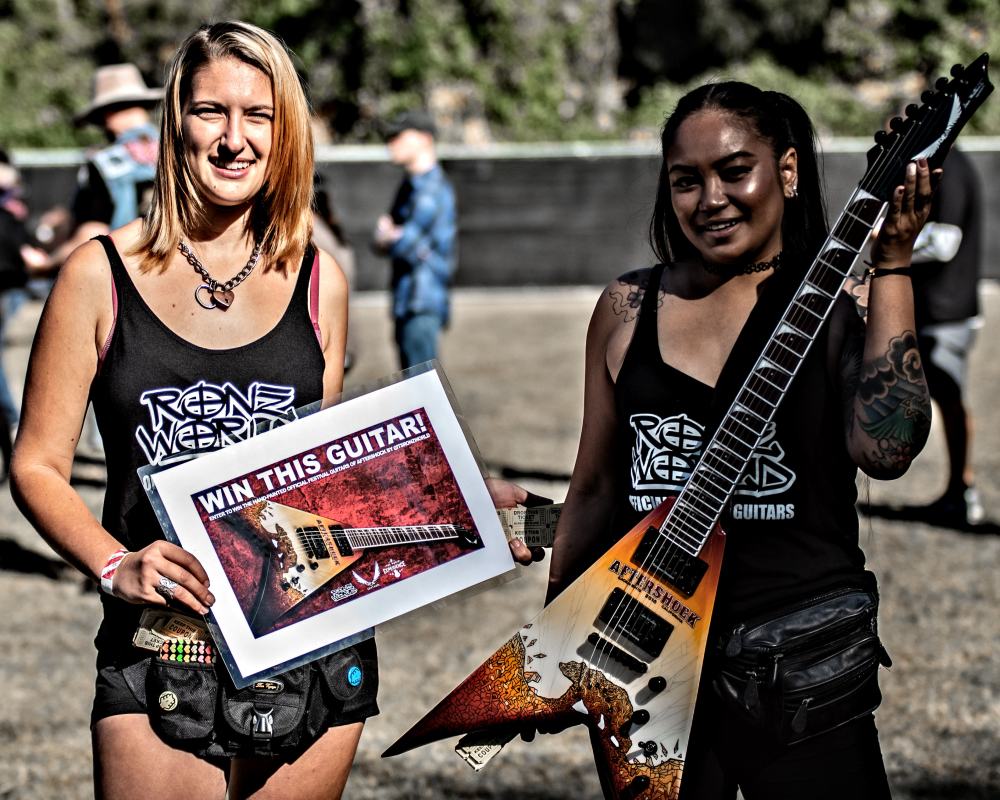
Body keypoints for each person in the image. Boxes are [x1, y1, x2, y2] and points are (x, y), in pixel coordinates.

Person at [541, 82, 934, 798]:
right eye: (686, 180)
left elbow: (889, 450)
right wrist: (558, 639)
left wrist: (894, 265)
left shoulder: (841, 305)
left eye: (734, 171)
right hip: (648, 668)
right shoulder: (628, 306)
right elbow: (595, 486)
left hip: (802, 671)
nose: (710, 199)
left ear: (787, 170)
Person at [10, 21, 364, 799]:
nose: (235, 139)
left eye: (258, 115)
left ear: (285, 132)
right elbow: (35, 465)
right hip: (160, 645)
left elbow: (325, 481)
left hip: (305, 643)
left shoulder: (318, 280)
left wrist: (453, 497)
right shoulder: (98, 274)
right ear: (176, 122)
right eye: (212, 112)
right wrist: (115, 563)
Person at [910, 148, 984, 526]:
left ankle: (962, 492)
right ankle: (959, 492)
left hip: (946, 310)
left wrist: (889, 241)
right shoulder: (951, 163)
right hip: (942, 307)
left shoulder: (951, 166)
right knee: (947, 396)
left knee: (950, 397)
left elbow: (945, 241)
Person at [373, 110, 456, 370]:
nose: (391, 143)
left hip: (421, 303)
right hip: (409, 301)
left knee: (423, 385)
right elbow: (384, 240)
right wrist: (389, 236)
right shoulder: (411, 187)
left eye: (399, 135)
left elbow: (402, 243)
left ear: (425, 138)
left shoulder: (429, 190)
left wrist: (390, 235)